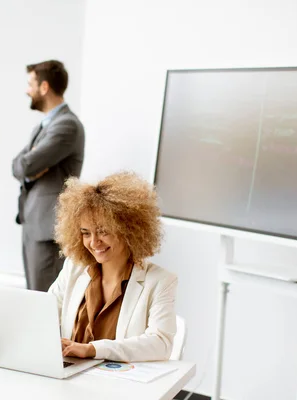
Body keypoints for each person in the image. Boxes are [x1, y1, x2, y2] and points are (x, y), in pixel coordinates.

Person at [49, 172, 178, 362]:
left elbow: (160, 344)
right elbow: (43, 314)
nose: (94, 242)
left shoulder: (160, 281)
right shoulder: (73, 268)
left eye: (103, 232)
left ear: (128, 230)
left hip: (120, 383)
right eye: (85, 233)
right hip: (71, 377)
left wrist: (93, 349)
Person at [12, 60, 85, 292]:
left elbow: (24, 165)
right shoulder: (44, 126)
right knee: (34, 294)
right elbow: (18, 166)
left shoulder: (66, 125)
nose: (27, 90)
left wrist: (29, 168)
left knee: (44, 300)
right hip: (33, 223)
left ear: (44, 87)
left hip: (47, 229)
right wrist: (30, 170)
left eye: (30, 84)